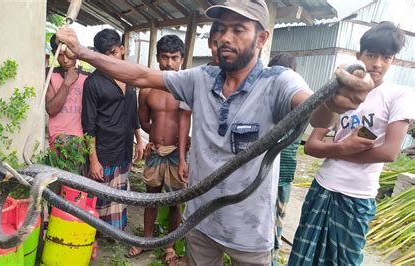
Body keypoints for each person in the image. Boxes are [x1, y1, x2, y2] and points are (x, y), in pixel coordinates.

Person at [55, 0, 373, 263]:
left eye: (238, 29)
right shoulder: (201, 79)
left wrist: (333, 102)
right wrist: (83, 53)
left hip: (249, 233)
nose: (225, 37)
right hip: (200, 225)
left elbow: (314, 112)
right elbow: (140, 75)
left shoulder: (278, 82)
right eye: (220, 29)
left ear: (261, 38)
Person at [289, 21, 415, 265]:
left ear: (394, 61)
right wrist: (342, 147)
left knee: (345, 261)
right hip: (322, 187)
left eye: (386, 57)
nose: (377, 63)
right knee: (303, 257)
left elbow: (389, 152)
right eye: (371, 55)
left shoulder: (399, 95)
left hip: (357, 197)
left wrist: (335, 150)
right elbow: (311, 145)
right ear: (359, 56)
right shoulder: (341, 91)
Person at [127, 35, 186, 264]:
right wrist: (155, 137)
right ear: (158, 57)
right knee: (150, 198)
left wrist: (185, 140)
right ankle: (147, 240)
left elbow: (195, 119)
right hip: (155, 152)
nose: (169, 63)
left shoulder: (185, 88)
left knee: (175, 201)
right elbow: (144, 121)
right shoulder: (148, 89)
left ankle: (170, 246)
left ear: (181, 58)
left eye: (174, 58)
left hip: (176, 154)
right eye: (164, 57)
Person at [81, 29, 143, 231]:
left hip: (124, 146)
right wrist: (93, 159)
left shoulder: (129, 78)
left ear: (122, 50)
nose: (111, 59)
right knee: (99, 196)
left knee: (119, 193)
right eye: (105, 55)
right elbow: (88, 124)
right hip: (104, 150)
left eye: (114, 52)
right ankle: (94, 233)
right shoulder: (93, 82)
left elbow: (132, 112)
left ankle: (114, 232)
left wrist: (139, 140)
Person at [266, 53, 299, 265]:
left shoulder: (297, 100)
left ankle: (272, 259)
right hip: (265, 176)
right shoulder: (267, 99)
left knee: (276, 220)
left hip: (283, 175)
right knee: (265, 221)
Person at [178, 20, 220, 182]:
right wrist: (183, 159)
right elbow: (184, 117)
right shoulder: (196, 78)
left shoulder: (245, 80)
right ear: (209, 43)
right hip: (200, 161)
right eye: (217, 43)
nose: (221, 49)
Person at [45, 34, 87, 149]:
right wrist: (67, 83)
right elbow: (51, 110)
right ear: (54, 54)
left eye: (69, 55)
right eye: (60, 55)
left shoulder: (87, 78)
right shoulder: (49, 75)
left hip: (82, 140)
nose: (65, 60)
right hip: (58, 138)